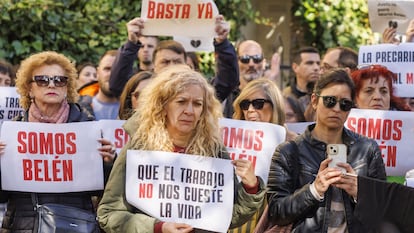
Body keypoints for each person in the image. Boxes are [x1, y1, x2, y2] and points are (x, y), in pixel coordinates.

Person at [97, 65, 265, 233]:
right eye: (181, 101)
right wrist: (158, 227)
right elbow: (109, 213)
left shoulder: (214, 150)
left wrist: (251, 187)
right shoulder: (139, 147)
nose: (189, 111)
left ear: (204, 111)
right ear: (163, 106)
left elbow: (227, 216)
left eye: (197, 104)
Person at [0, 51, 116, 232]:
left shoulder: (87, 127)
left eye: (59, 80)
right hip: (23, 226)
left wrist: (108, 163)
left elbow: (105, 192)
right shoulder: (12, 131)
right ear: (29, 88)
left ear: (67, 87)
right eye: (42, 80)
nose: (51, 85)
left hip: (73, 225)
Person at [268, 68, 387, 232]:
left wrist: (361, 193)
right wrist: (313, 190)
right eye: (330, 101)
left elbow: (386, 210)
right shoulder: (288, 152)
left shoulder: (367, 149)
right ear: (315, 101)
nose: (337, 109)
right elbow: (276, 212)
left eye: (345, 104)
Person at [109, 15, 239, 104]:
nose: (171, 66)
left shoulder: (200, 92)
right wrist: (131, 43)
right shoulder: (144, 91)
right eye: (165, 62)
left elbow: (227, 82)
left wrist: (222, 43)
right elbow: (117, 85)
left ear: (185, 65)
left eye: (177, 62)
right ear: (154, 66)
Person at [229, 78, 296, 233]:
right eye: (245, 105)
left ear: (275, 106)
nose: (250, 110)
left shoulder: (294, 144)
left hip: (272, 222)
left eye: (258, 103)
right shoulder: (228, 141)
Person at [79, 50, 120, 120]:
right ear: (97, 73)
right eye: (107, 69)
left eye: (116, 69)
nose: (111, 74)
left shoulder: (136, 110)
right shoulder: (77, 109)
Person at [282, 47, 321, 113]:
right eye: (309, 63)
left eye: (318, 63)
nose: (316, 68)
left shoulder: (324, 95)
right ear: (295, 67)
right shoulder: (284, 96)